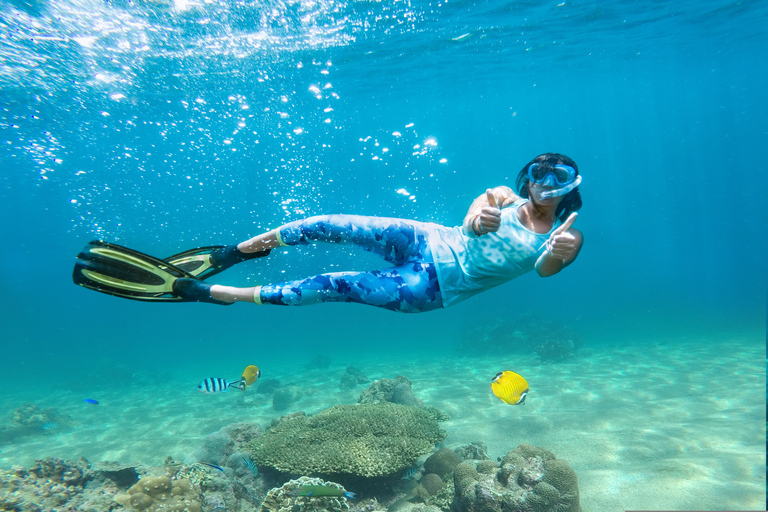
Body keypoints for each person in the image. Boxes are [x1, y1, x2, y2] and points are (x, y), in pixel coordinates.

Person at [73, 153, 583, 312]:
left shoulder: (566, 236)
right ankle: (236, 252)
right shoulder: (500, 195)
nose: (547, 185)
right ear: (527, 178)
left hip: (435, 289)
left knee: (329, 284)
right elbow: (472, 222)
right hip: (428, 239)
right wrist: (481, 220)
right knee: (328, 222)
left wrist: (558, 251)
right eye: (540, 174)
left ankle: (219, 294)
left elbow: (544, 270)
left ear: (570, 189)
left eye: (560, 179)